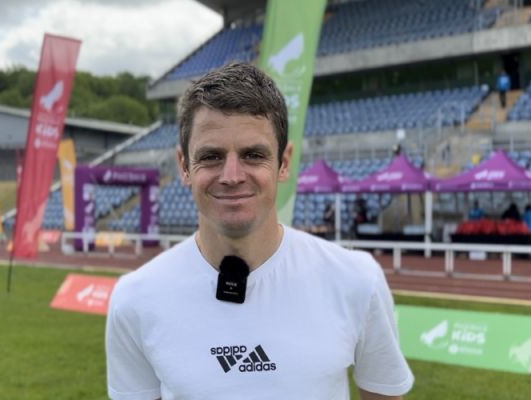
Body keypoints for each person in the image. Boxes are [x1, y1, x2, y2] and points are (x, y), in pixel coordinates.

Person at [105, 62, 413, 400]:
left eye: (253, 155)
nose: (232, 175)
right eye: (211, 156)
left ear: (284, 163)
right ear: (184, 166)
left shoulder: (356, 279)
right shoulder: (135, 299)